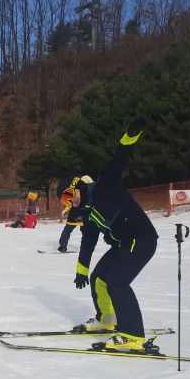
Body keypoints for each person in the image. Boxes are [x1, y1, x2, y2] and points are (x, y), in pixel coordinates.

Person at [56, 119, 157, 352]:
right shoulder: (88, 214)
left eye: (69, 194)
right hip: (124, 244)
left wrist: (130, 137)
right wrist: (82, 270)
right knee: (99, 278)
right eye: (64, 200)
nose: (71, 201)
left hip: (141, 239)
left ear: (78, 185)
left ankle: (132, 335)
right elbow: (88, 242)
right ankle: (107, 319)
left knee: (117, 282)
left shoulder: (105, 186)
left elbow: (118, 160)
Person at [57, 176, 92, 252]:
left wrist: (65, 210)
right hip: (84, 216)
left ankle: (63, 246)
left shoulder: (77, 190)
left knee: (67, 231)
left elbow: (70, 203)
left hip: (74, 215)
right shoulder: (89, 193)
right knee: (85, 232)